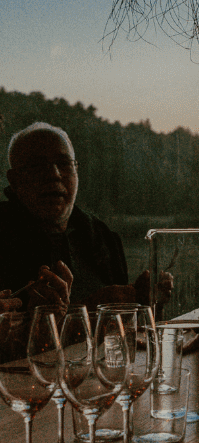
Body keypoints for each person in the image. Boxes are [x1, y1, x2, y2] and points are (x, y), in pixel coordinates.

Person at [0, 122, 149, 311]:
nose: (54, 174)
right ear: (14, 181)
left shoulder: (104, 238)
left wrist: (146, 303)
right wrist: (93, 310)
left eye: (63, 163)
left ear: (76, 171)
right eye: (38, 166)